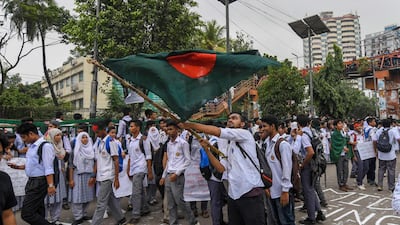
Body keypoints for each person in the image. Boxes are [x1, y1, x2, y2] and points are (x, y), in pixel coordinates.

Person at [180, 113, 265, 225]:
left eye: (234, 118)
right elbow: (221, 169)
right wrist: (207, 150)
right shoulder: (226, 143)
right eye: (229, 118)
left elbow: (217, 131)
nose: (230, 120)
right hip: (234, 193)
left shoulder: (245, 134)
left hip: (250, 191)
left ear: (243, 124)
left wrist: (190, 125)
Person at [12, 122, 56, 225]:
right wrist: (18, 167)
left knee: (27, 214)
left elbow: (48, 167)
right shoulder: (32, 147)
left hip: (39, 182)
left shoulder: (45, 146)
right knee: (38, 211)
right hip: (32, 181)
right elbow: (35, 165)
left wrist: (50, 185)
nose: (23, 140)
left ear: (31, 134)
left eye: (24, 137)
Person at [160, 120, 199, 225]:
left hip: (177, 176)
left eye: (171, 129)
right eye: (167, 129)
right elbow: (169, 161)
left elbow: (188, 160)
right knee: (171, 203)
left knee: (180, 201)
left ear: (177, 130)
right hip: (169, 174)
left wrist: (177, 173)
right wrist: (164, 176)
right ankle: (173, 222)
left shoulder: (183, 143)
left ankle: (193, 221)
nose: (169, 131)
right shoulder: (168, 144)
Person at [261, 115, 295, 225]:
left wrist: (285, 191)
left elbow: (287, 169)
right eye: (261, 126)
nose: (262, 129)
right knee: (277, 221)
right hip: (272, 191)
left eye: (264, 126)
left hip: (281, 192)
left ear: (272, 126)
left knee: (286, 221)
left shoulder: (282, 144)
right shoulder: (267, 144)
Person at [90, 120, 126, 225]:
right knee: (111, 199)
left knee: (101, 203)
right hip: (101, 176)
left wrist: (116, 178)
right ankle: (121, 219)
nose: (96, 134)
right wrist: (93, 175)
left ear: (103, 130)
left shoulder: (110, 142)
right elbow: (98, 160)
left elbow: (116, 160)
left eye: (97, 132)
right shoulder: (99, 143)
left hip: (107, 176)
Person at [297, 115, 325, 225]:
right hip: (316, 164)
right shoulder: (312, 132)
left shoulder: (304, 135)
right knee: (311, 190)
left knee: (308, 191)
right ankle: (319, 212)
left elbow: (310, 152)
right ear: (309, 123)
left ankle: (311, 218)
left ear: (298, 124)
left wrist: (303, 165)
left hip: (309, 165)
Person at [126, 120, 152, 224]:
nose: (130, 128)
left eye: (132, 126)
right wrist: (128, 169)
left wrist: (149, 171)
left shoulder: (144, 139)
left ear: (138, 128)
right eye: (130, 126)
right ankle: (145, 208)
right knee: (140, 190)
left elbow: (148, 156)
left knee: (136, 192)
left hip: (141, 168)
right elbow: (130, 156)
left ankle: (135, 215)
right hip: (134, 168)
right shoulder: (130, 140)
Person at [68, 132, 95, 225]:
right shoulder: (75, 150)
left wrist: (93, 176)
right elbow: (71, 166)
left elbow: (95, 163)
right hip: (77, 175)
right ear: (79, 139)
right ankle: (78, 217)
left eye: (86, 137)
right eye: (82, 138)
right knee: (77, 197)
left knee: (87, 197)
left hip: (88, 176)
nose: (85, 139)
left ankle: (84, 214)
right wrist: (71, 179)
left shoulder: (92, 150)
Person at [44, 128, 67, 225]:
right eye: (57, 135)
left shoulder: (60, 146)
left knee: (58, 198)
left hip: (59, 175)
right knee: (47, 200)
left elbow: (62, 159)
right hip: (50, 175)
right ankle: (44, 219)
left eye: (60, 135)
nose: (59, 137)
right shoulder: (47, 147)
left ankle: (55, 219)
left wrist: (62, 166)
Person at [372, 119, 400, 192]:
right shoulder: (393, 131)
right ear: (390, 124)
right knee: (391, 170)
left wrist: (376, 151)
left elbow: (374, 141)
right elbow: (398, 139)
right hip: (391, 154)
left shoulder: (378, 131)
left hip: (381, 154)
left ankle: (380, 185)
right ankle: (391, 186)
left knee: (381, 169)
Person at [330, 119, 354, 192]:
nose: (341, 125)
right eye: (339, 124)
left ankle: (344, 182)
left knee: (346, 169)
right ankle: (341, 184)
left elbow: (346, 140)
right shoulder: (334, 134)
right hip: (339, 154)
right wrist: (343, 147)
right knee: (340, 170)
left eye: (342, 123)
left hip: (345, 154)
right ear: (336, 126)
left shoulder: (343, 132)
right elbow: (335, 144)